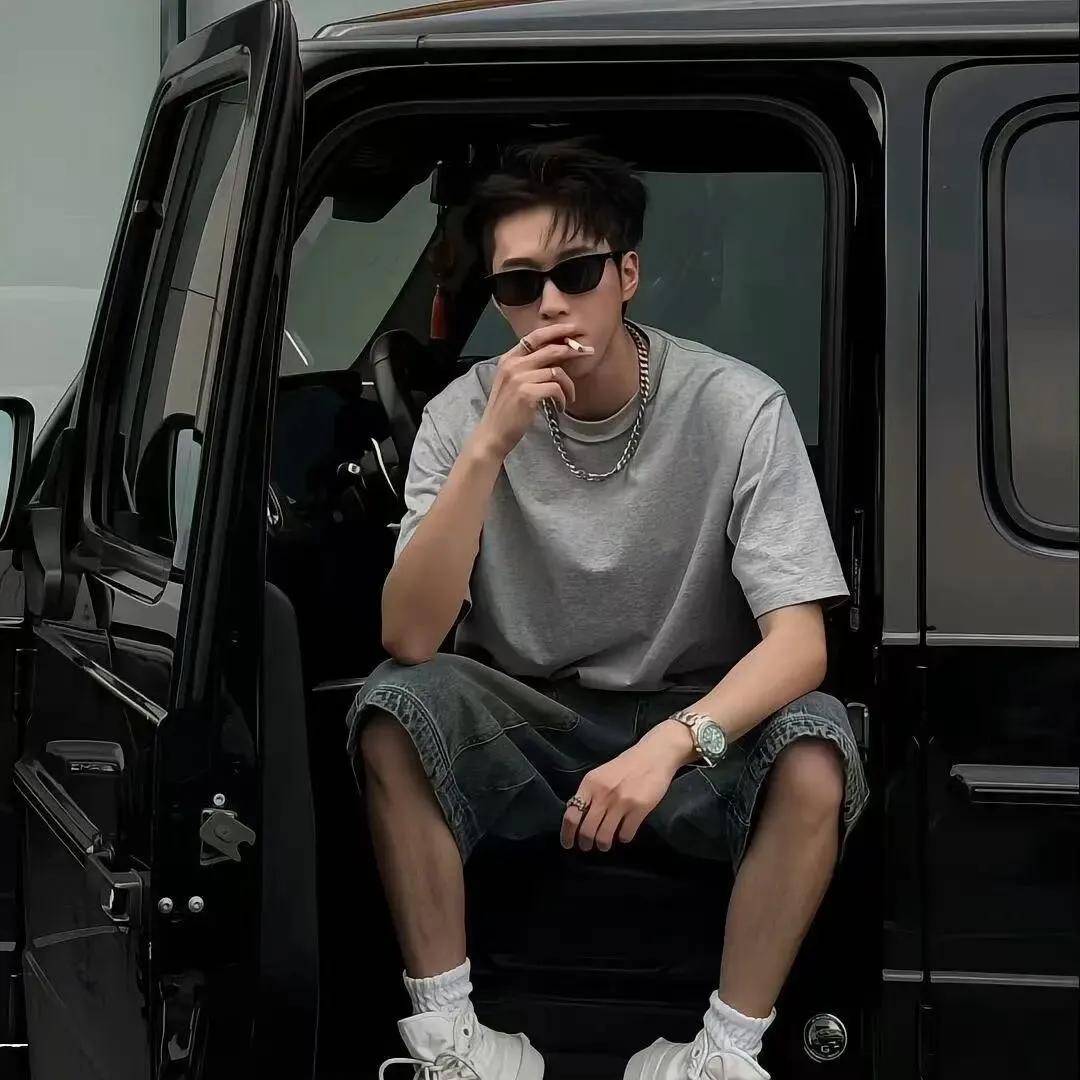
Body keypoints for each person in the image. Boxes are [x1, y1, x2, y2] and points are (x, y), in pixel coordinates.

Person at [352, 139, 868, 1080]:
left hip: (695, 721)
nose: (549, 305)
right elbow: (411, 635)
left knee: (816, 747)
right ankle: (453, 1043)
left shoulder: (736, 406)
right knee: (392, 708)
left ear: (626, 275)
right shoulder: (465, 415)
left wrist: (670, 745)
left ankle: (722, 1055)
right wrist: (488, 448)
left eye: (576, 273)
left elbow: (800, 643)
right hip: (528, 719)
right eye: (519, 286)